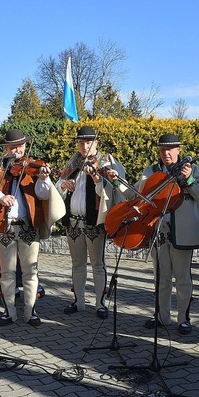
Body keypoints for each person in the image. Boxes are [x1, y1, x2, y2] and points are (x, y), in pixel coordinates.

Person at [111, 133, 199, 335]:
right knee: (160, 277)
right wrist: (117, 182)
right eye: (162, 149)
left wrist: (190, 180)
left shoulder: (192, 169)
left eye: (170, 149)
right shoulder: (151, 171)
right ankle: (161, 316)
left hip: (182, 231)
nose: (166, 153)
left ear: (178, 150)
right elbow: (136, 196)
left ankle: (183, 319)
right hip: (158, 229)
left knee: (183, 277)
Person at [0, 128, 65, 327]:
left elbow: (43, 195)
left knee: (31, 271)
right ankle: (9, 312)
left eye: (20, 147)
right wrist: (0, 197)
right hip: (4, 227)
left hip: (29, 227)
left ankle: (31, 312)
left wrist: (44, 179)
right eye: (13, 147)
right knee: (7, 273)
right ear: (5, 150)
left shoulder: (33, 168)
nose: (18, 151)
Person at [56, 126, 125, 319]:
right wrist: (63, 185)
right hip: (73, 223)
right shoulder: (73, 161)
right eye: (81, 142)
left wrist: (96, 179)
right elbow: (58, 183)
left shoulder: (106, 162)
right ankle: (78, 302)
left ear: (96, 142)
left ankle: (100, 304)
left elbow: (112, 192)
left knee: (97, 264)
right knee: (77, 264)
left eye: (88, 142)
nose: (85, 146)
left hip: (94, 222)